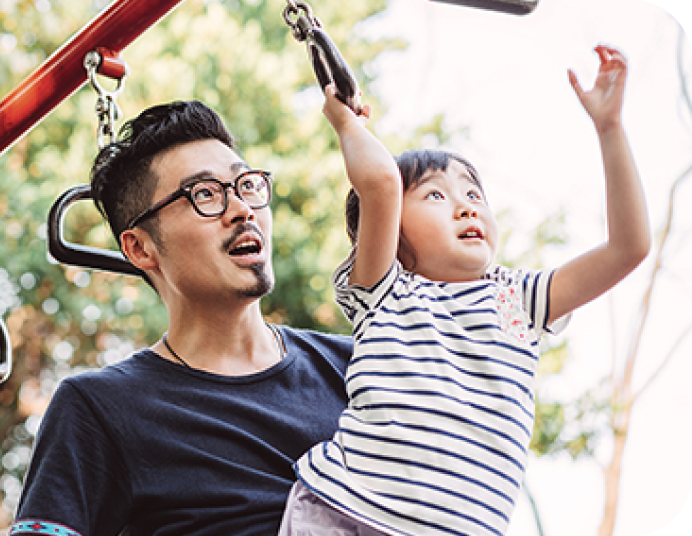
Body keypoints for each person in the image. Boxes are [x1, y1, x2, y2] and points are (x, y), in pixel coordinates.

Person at [279, 45, 651, 536]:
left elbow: (628, 247)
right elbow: (381, 184)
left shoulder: (516, 300)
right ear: (392, 232)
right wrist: (348, 123)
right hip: (345, 511)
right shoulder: (385, 292)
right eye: (435, 194)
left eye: (474, 194)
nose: (467, 206)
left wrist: (610, 129)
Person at [9, 101, 353, 536]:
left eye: (246, 185)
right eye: (205, 194)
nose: (242, 209)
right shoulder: (98, 408)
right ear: (140, 248)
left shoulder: (358, 368)